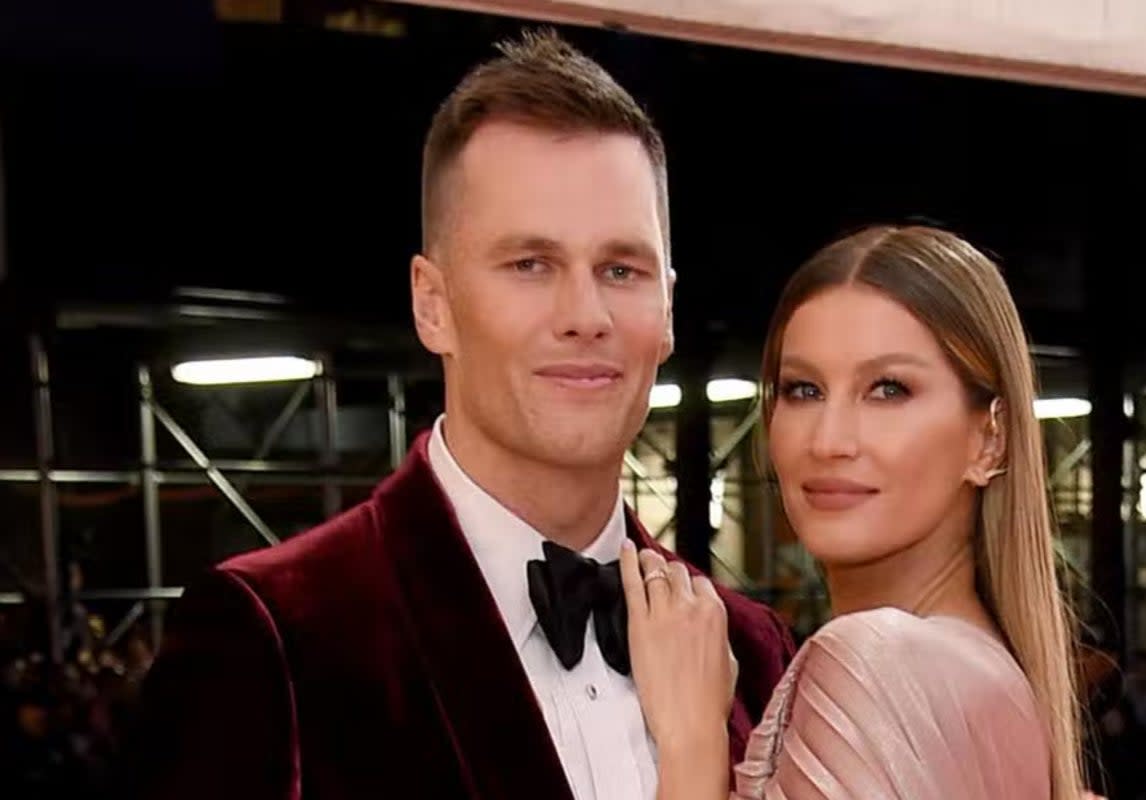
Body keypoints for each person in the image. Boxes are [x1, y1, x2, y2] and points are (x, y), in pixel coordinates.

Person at [126, 29, 796, 800]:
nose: (586, 314)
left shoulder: (753, 650)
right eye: (530, 265)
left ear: (668, 308)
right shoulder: (275, 636)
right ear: (432, 304)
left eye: (621, 268)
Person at [621, 225, 1086, 799]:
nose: (829, 440)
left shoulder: (874, 662)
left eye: (888, 390)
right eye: (803, 390)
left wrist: (692, 744)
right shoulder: (997, 679)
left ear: (990, 438)